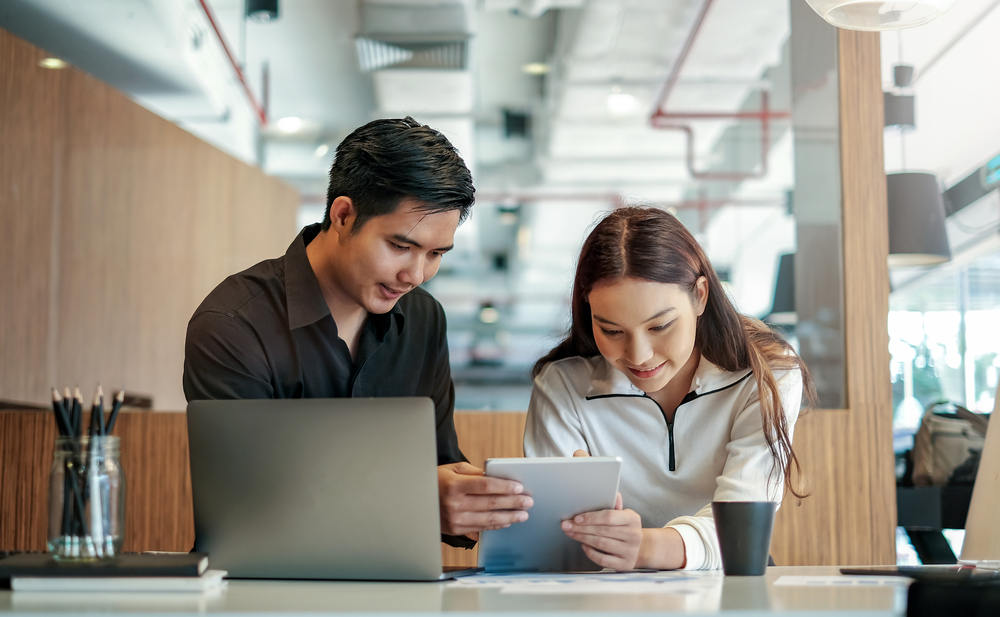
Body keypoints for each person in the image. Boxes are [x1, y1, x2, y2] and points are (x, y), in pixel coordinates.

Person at [183, 117, 531, 547]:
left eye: (436, 253)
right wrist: (416, 496)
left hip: (393, 588)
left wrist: (477, 500)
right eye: (400, 247)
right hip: (265, 595)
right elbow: (246, 503)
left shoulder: (424, 320)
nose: (416, 274)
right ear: (344, 215)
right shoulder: (234, 324)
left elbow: (438, 462)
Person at [523, 206, 813, 570]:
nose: (639, 355)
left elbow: (742, 531)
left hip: (729, 580)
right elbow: (550, 540)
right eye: (612, 331)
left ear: (701, 296)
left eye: (660, 326)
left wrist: (644, 546)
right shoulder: (562, 386)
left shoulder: (768, 372)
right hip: (604, 590)